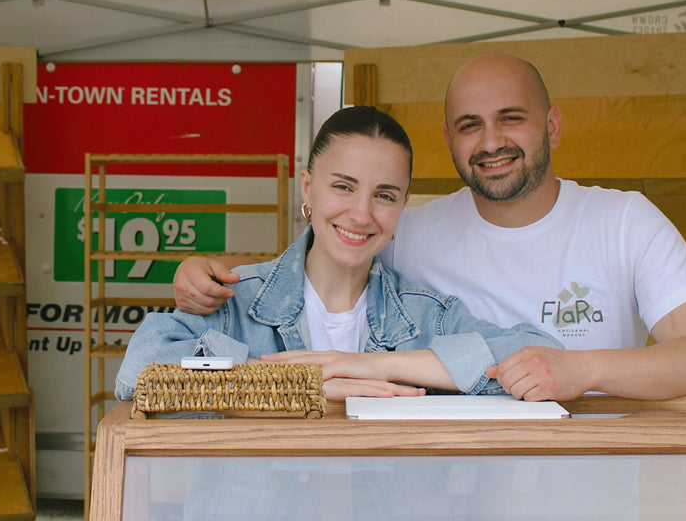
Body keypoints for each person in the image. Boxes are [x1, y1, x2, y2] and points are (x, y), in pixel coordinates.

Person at [175, 52, 686, 400]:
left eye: (512, 119)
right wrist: (210, 273)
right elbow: (315, 265)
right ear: (449, 139)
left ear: (551, 125)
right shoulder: (411, 232)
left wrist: (582, 367)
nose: (491, 142)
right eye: (470, 125)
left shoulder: (623, 223)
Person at [115, 104, 562, 403]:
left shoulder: (426, 316)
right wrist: (297, 385)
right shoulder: (236, 299)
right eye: (343, 187)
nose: (361, 214)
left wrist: (371, 365)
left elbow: (542, 356)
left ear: (403, 206)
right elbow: (138, 372)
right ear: (308, 186)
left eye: (384, 195)